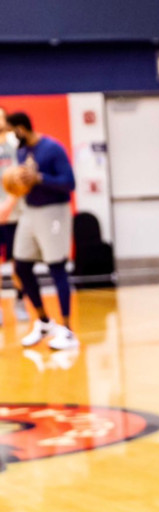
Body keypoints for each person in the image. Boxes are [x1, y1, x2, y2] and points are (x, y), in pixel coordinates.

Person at [6, 111, 78, 351]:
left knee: (56, 266)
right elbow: (25, 182)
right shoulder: (22, 151)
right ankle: (44, 322)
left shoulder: (52, 149)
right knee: (22, 266)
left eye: (9, 130)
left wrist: (40, 177)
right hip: (31, 211)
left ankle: (67, 330)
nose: (7, 136)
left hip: (54, 211)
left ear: (21, 129)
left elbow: (69, 182)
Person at [0, 108, 30, 325]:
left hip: (15, 214)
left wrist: (8, 205)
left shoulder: (16, 145)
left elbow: (23, 178)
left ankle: (20, 301)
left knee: (18, 264)